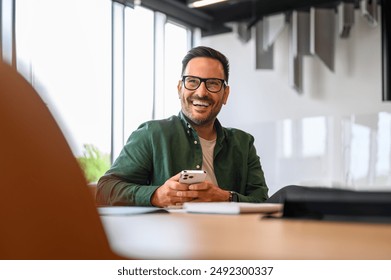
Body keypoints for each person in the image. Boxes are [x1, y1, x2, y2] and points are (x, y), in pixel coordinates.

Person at [96, 46, 268, 207]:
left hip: (232, 236)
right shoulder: (152, 134)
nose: (201, 92)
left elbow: (262, 201)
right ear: (180, 89)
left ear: (225, 94)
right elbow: (105, 190)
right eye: (192, 81)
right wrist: (156, 195)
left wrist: (226, 197)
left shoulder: (244, 143)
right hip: (169, 236)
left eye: (213, 83)